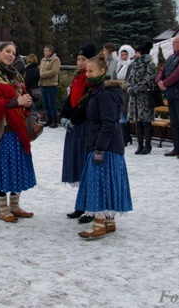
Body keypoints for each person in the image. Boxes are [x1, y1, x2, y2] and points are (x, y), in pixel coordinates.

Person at [74, 53, 133, 238]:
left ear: (102, 71)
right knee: (106, 183)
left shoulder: (106, 93)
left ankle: (99, 223)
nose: (87, 74)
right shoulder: (96, 90)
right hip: (104, 145)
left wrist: (99, 148)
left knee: (98, 184)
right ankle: (109, 221)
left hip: (106, 147)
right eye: (86, 71)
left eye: (90, 71)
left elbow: (109, 123)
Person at [0, 42, 36, 223]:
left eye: (13, 52)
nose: (10, 55)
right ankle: (3, 209)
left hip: (18, 129)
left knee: (17, 169)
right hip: (3, 130)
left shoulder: (16, 75)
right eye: (7, 51)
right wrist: (17, 101)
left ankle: (14, 206)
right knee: (3, 169)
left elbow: (23, 94)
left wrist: (27, 100)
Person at [60, 42, 96, 222]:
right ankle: (81, 204)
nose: (81, 63)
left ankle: (91, 206)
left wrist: (73, 120)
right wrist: (63, 117)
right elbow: (69, 99)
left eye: (84, 59)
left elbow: (86, 104)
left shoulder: (92, 79)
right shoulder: (77, 76)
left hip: (84, 127)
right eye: (79, 59)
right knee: (78, 166)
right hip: (74, 128)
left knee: (86, 167)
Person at [126, 41, 157, 155]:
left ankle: (147, 146)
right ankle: (140, 145)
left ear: (142, 53)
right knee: (137, 121)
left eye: (137, 52)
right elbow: (129, 79)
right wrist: (129, 87)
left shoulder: (150, 64)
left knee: (146, 122)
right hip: (135, 97)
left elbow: (149, 80)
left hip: (145, 97)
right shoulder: (134, 64)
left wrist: (136, 88)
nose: (135, 54)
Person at [116, 45, 135, 146]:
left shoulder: (130, 65)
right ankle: (124, 136)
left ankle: (126, 137)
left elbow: (129, 80)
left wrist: (120, 84)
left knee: (124, 116)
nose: (123, 57)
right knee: (120, 116)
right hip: (119, 93)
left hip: (126, 93)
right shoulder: (120, 65)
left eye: (125, 54)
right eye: (122, 55)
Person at [39, 45, 61, 128]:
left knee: (52, 104)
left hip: (51, 85)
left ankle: (54, 121)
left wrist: (42, 75)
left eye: (45, 50)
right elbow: (40, 69)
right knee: (46, 104)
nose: (44, 52)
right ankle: (48, 120)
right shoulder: (43, 60)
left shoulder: (56, 60)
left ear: (50, 52)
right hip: (43, 85)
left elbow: (54, 71)